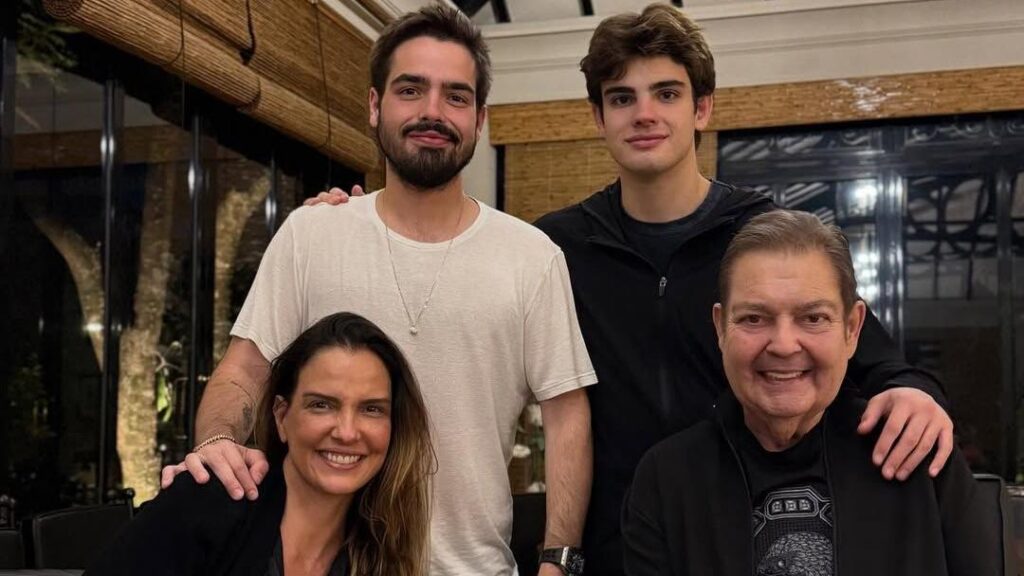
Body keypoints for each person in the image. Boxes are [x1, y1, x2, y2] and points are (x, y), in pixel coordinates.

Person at [314, 5, 954, 574]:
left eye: (666, 93)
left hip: (740, 539)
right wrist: (356, 216)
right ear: (598, 117)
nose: (644, 114)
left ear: (701, 108)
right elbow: (446, 279)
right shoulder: (555, 247)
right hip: (609, 549)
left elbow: (868, 358)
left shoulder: (764, 239)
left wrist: (915, 391)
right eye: (622, 98)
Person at [161, 5, 595, 575]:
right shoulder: (312, 234)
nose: (432, 111)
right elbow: (245, 370)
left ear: (480, 118)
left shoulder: (531, 257)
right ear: (374, 105)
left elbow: (566, 418)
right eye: (411, 90)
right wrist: (216, 442)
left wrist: (558, 562)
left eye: (456, 96)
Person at [621, 210, 997, 576]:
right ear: (721, 329)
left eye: (813, 318)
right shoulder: (667, 481)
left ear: (852, 329)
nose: (784, 345)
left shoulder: (918, 454)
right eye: (754, 318)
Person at [87, 312, 433, 575]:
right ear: (282, 417)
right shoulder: (211, 501)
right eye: (321, 405)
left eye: (371, 409)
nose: (346, 432)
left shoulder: (382, 552)